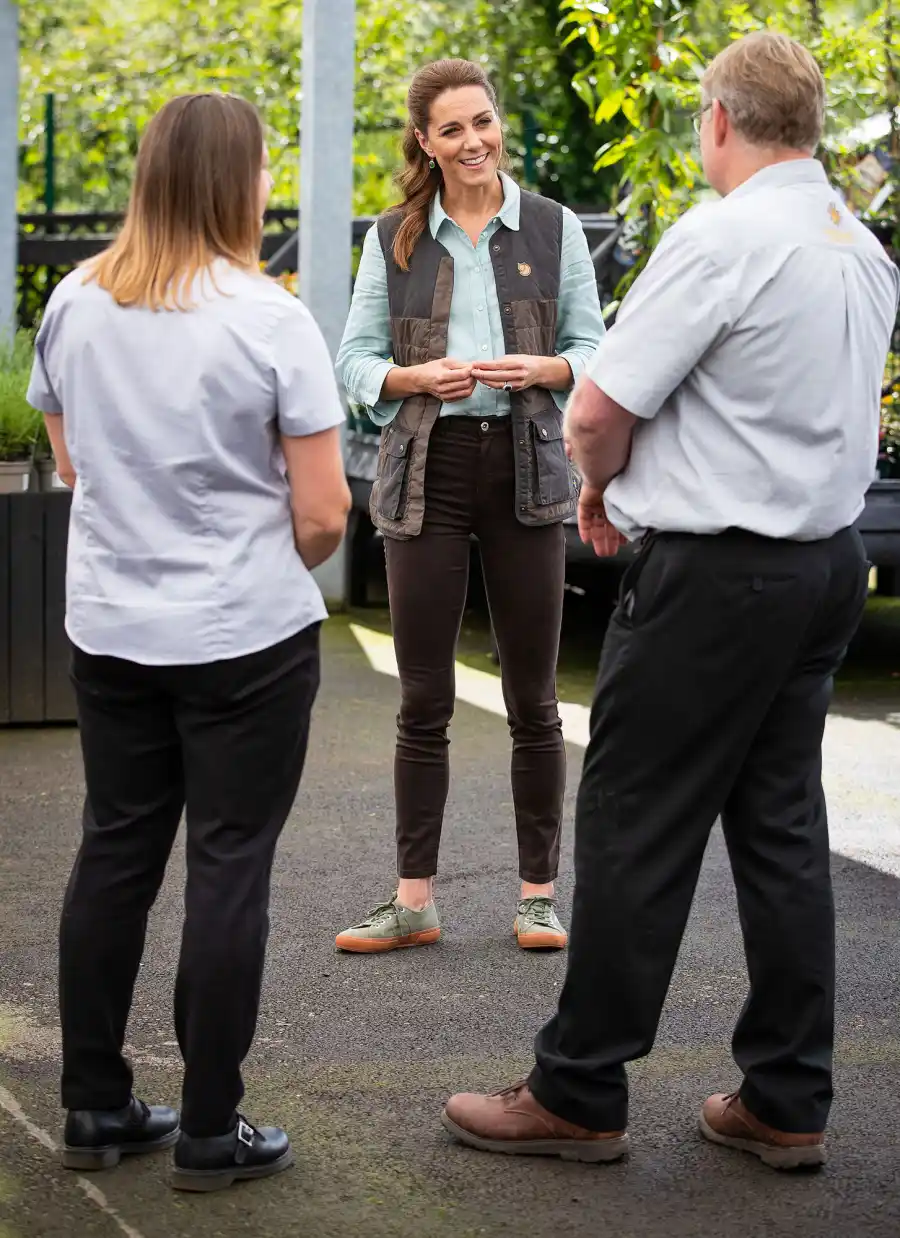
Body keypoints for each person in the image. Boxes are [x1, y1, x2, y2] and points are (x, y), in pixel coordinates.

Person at [441, 32, 900, 1168]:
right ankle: (788, 1097)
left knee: (636, 819)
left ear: (719, 122)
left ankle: (578, 1090)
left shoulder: (724, 235)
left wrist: (598, 488)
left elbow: (599, 406)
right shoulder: (861, 246)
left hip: (716, 576)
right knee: (783, 828)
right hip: (825, 567)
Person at [26, 93, 351, 1192]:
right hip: (243, 638)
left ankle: (94, 1103)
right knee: (228, 865)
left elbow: (75, 465)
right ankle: (211, 1126)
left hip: (113, 628)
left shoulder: (73, 301)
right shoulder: (268, 316)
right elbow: (324, 513)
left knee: (115, 849)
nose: (268, 184)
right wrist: (244, 568)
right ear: (235, 181)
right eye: (263, 167)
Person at [334, 59, 605, 954]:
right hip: (430, 473)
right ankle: (415, 900)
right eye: (451, 129)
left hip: (528, 469)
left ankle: (537, 896)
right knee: (424, 697)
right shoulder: (394, 239)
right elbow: (355, 364)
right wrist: (412, 378)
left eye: (482, 122)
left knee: (535, 696)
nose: (473, 141)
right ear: (425, 142)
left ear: (498, 123)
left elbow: (595, 351)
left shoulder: (554, 228)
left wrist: (548, 370)